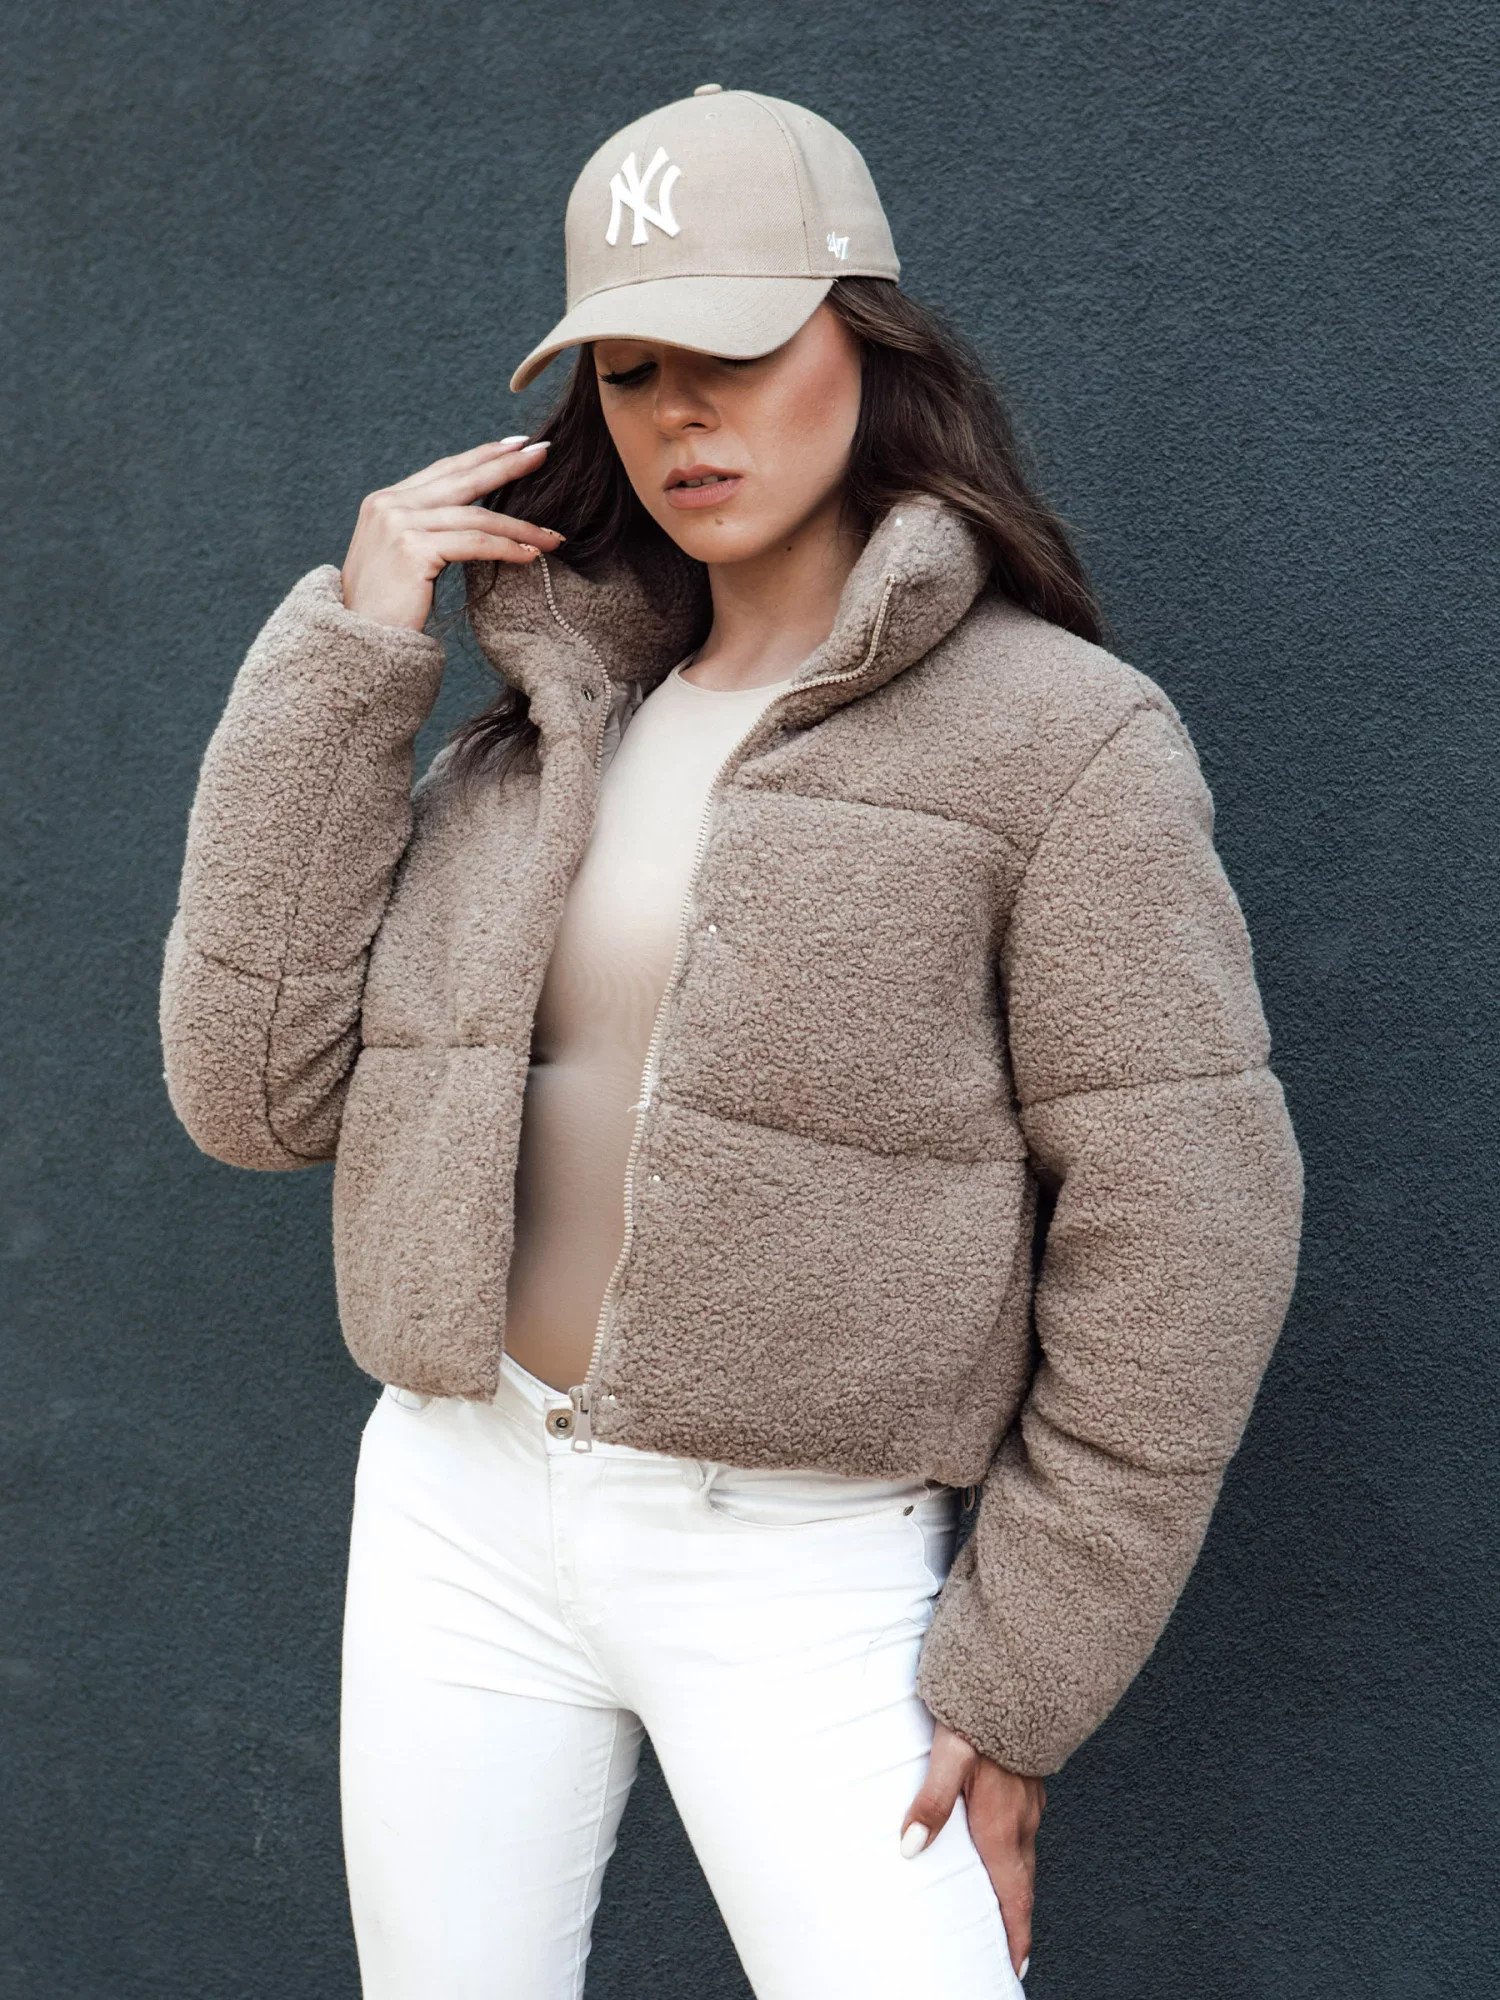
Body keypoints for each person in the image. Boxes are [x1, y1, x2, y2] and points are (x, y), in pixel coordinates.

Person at [159, 84, 1304, 2000]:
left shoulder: (1063, 738)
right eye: (629, 373)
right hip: (456, 1502)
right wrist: (355, 653)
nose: (682, 417)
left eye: (739, 354)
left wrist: (1024, 1675)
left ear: (867, 347)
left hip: (795, 1562)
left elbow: (1191, 1227)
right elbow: (249, 1099)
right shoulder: (532, 733)